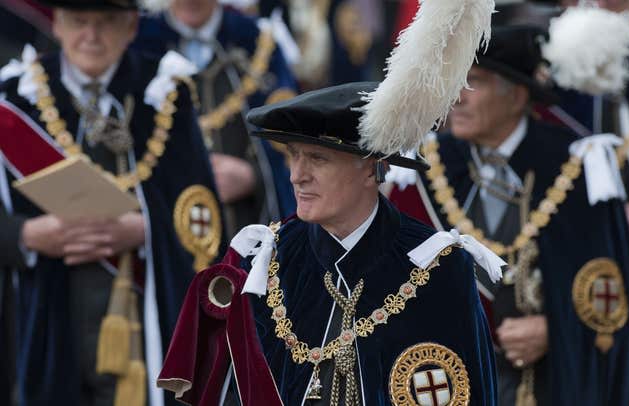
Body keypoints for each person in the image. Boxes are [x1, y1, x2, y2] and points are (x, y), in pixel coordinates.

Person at [157, 0, 502, 403]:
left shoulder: (437, 267)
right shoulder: (265, 260)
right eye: (293, 156)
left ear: (368, 167)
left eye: (317, 159)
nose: (296, 175)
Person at [389, 24, 629, 406]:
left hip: (553, 385)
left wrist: (557, 329)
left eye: (474, 81)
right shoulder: (421, 168)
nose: (457, 97)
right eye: (455, 80)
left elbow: (611, 296)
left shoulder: (578, 165)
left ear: (517, 94)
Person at [0, 0, 226, 405]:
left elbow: (203, 213)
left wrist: (145, 230)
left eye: (106, 22)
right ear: (59, 25)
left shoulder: (164, 91)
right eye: (79, 21)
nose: (91, 35)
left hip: (143, 324)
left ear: (131, 28)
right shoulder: (16, 97)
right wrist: (27, 235)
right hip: (45, 318)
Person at [132, 0, 298, 236]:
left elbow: (291, 144)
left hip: (247, 231)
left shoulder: (258, 42)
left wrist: (254, 176)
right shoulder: (137, 43)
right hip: (167, 233)